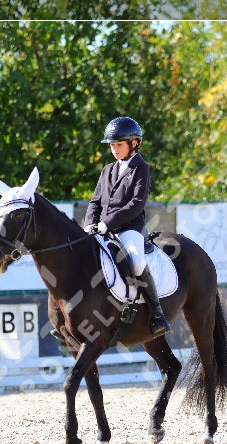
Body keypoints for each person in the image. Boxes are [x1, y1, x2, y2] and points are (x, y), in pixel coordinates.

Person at [83, 116, 170, 338]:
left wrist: (106, 223)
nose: (114, 149)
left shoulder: (142, 168)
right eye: (111, 145)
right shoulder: (107, 170)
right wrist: (89, 225)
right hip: (101, 228)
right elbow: (95, 202)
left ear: (134, 143)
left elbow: (136, 204)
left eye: (118, 144)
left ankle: (157, 313)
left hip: (129, 229)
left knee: (137, 261)